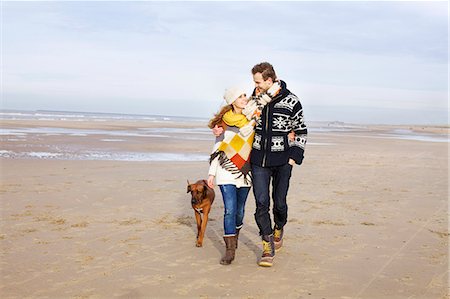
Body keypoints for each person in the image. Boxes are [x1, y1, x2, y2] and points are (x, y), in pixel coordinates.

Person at [213, 62, 307, 267]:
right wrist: (219, 128)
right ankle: (267, 245)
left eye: (257, 81)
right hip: (258, 161)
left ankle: (278, 227)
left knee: (279, 203)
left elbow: (301, 131)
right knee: (261, 204)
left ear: (269, 80)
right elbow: (235, 116)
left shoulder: (291, 101)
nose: (254, 85)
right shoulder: (254, 101)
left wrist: (293, 158)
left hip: (282, 160)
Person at [207, 86, 254, 265]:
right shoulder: (224, 123)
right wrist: (211, 173)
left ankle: (235, 234)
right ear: (233, 100)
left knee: (240, 212)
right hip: (225, 169)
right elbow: (217, 147)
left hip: (245, 171)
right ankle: (230, 249)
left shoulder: (252, 119)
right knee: (229, 210)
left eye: (245, 96)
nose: (244, 98)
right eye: (241, 96)